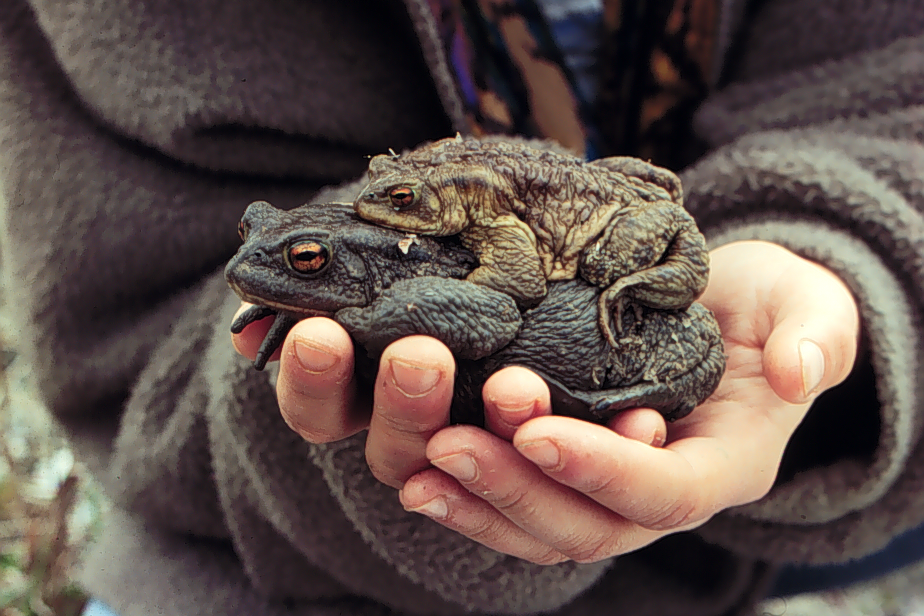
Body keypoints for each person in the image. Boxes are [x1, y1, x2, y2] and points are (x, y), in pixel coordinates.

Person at [0, 0, 921, 615]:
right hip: (254, 567)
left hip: (696, 438)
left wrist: (834, 259)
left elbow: (511, 292)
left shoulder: (496, 238)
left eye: (311, 257)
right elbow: (131, 334)